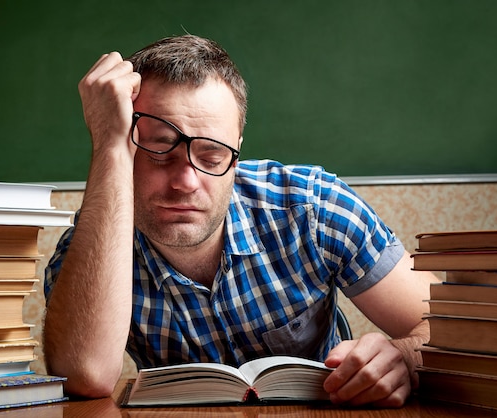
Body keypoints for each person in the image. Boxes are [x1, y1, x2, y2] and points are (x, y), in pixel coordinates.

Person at [43, 34, 439, 407]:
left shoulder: (313, 209)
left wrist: (402, 358)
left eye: (212, 156)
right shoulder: (93, 244)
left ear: (236, 156)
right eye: (159, 152)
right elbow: (84, 375)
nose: (185, 182)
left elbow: (456, 330)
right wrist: (109, 145)